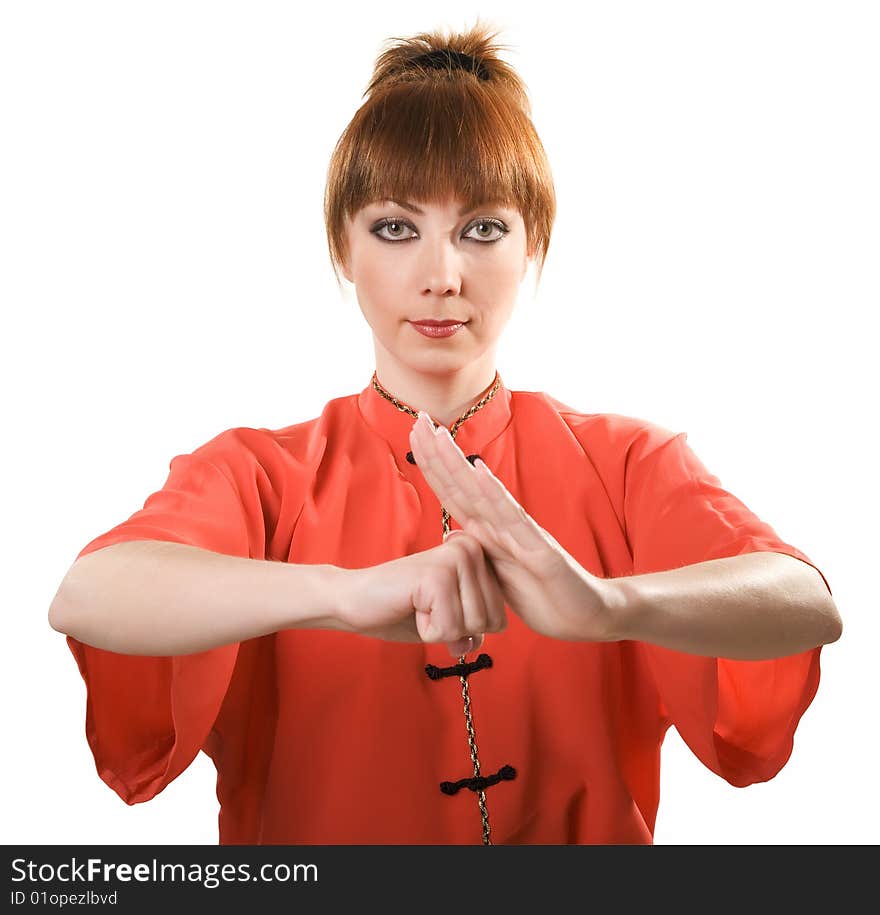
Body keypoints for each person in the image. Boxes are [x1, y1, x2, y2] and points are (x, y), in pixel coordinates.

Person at [48, 21, 842, 846]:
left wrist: (611, 606)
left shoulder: (626, 462)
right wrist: (342, 595)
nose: (442, 276)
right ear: (343, 249)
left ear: (532, 244)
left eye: (483, 228)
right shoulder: (260, 473)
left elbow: (807, 601)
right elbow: (88, 592)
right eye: (395, 227)